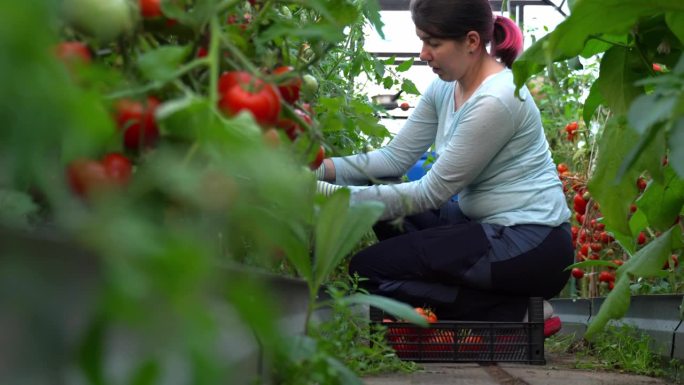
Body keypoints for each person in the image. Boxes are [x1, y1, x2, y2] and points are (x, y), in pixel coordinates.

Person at [315, 0, 573, 328]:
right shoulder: (445, 87)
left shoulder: (497, 99)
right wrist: (320, 169)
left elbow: (430, 194)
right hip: (483, 226)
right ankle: (494, 303)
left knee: (368, 272)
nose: (423, 53)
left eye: (433, 43)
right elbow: (393, 158)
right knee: (375, 181)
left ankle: (514, 312)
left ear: (471, 42)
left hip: (529, 246)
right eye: (423, 41)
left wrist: (324, 195)